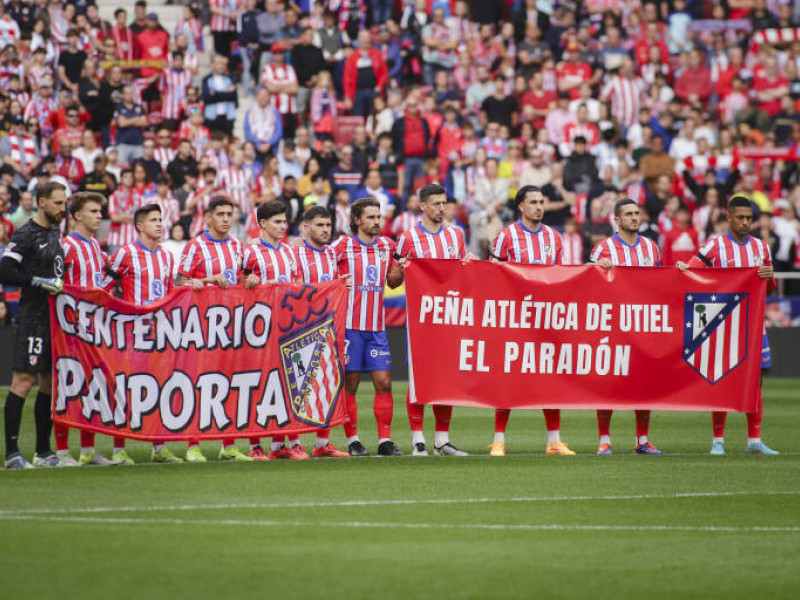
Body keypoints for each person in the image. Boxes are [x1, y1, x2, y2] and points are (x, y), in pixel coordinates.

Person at [677, 196, 779, 456]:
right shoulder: (714, 246)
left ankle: (754, 441)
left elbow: (768, 288)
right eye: (740, 218)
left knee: (755, 383)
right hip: (723, 325)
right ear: (729, 217)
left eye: (749, 218)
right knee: (720, 381)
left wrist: (770, 277)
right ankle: (718, 441)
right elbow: (693, 273)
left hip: (754, 325)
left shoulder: (761, 248)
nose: (745, 223)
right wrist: (682, 268)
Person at [488, 185, 575, 457]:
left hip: (547, 318)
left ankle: (554, 440)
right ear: (521, 207)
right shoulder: (506, 236)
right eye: (533, 202)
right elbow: (492, 275)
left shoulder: (554, 237)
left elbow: (561, 275)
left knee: (551, 378)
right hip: (515, 318)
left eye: (541, 202)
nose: (539, 207)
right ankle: (499, 439)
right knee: (509, 378)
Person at [106, 203, 186, 464]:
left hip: (160, 333)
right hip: (131, 333)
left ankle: (158, 446)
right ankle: (119, 448)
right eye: (154, 220)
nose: (161, 224)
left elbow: (168, 291)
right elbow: (106, 283)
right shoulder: (124, 253)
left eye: (161, 219)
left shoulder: (166, 256)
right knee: (125, 389)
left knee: (160, 388)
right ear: (140, 226)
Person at [395, 183, 469, 456]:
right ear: (422, 205)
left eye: (444, 203)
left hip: (449, 317)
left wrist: (469, 264)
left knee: (445, 379)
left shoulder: (455, 236)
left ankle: (441, 440)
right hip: (419, 319)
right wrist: (401, 269)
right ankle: (418, 440)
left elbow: (462, 273)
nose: (442, 208)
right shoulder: (408, 238)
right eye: (436, 204)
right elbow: (392, 280)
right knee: (418, 380)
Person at [177, 196, 252, 462]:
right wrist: (202, 281)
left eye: (229, 214)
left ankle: (228, 445)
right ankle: (192, 444)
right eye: (220, 214)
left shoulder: (236, 246)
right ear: (208, 217)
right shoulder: (195, 245)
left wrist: (251, 279)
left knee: (230, 383)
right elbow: (179, 282)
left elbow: (243, 277)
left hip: (232, 324)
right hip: (201, 325)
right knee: (200, 384)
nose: (225, 219)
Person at [0, 182, 67, 469]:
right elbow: (5, 269)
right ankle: (13, 453)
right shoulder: (26, 233)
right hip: (32, 316)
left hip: (53, 317)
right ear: (41, 202)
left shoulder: (55, 230)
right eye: (57, 203)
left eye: (64, 203)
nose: (62, 209)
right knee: (23, 382)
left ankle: (42, 451)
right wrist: (37, 281)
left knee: (49, 384)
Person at [331, 197, 405, 456]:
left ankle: (385, 441)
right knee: (350, 384)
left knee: (384, 382)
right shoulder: (342, 246)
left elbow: (394, 281)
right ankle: (353, 440)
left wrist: (402, 269)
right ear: (357, 220)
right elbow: (320, 264)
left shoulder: (387, 245)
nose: (377, 222)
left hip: (377, 328)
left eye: (378, 217)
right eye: (371, 217)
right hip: (349, 327)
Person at [590, 198, 663, 456]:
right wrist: (597, 268)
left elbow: (658, 284)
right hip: (613, 325)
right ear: (617, 220)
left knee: (644, 383)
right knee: (609, 382)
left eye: (637, 213)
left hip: (643, 325)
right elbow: (588, 282)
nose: (635, 217)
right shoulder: (603, 248)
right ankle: (604, 439)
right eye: (629, 214)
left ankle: (642, 440)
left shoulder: (652, 248)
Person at [241, 200, 307, 460]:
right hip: (258, 329)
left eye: (284, 221)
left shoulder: (290, 253)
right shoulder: (250, 253)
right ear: (263, 223)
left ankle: (284, 444)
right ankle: (255, 445)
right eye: (277, 221)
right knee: (258, 386)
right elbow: (237, 285)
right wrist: (248, 282)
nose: (283, 226)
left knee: (287, 384)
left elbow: (296, 284)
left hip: (286, 326)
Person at [57, 192, 118, 466]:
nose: (99, 216)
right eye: (93, 211)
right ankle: (60, 451)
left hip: (95, 327)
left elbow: (103, 280)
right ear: (77, 216)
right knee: (67, 386)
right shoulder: (67, 246)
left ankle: (88, 450)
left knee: (92, 386)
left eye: (100, 211)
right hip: (68, 329)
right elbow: (55, 284)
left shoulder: (95, 246)